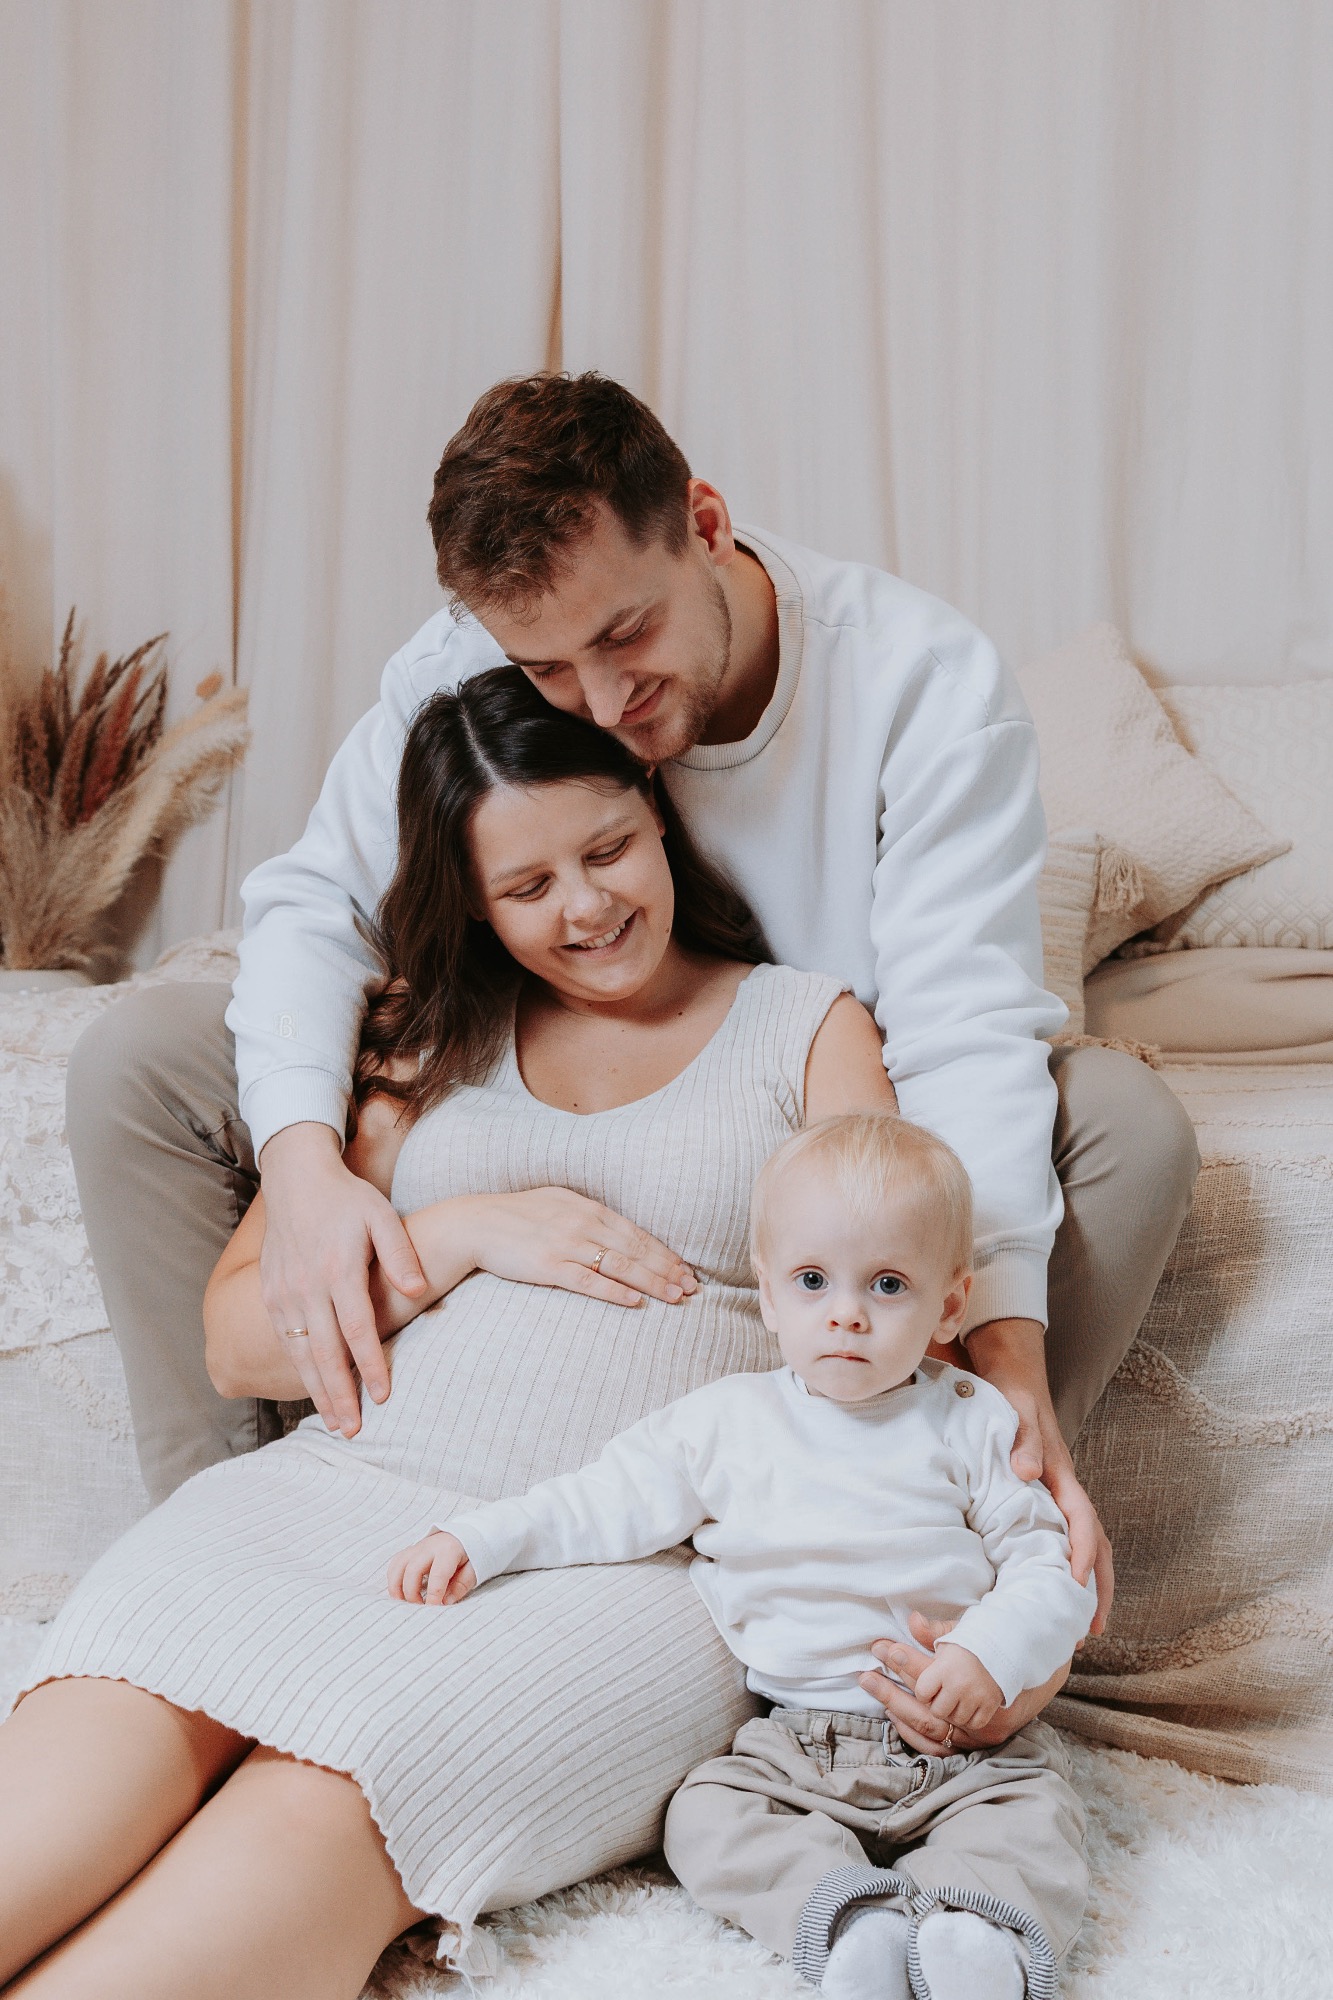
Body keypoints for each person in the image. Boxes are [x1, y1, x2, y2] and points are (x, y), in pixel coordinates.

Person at [63, 370, 1199, 1733]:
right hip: (529, 1037)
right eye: (548, 671)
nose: (598, 700)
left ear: (706, 525)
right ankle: (217, 1535)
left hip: (825, 1100)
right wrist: (306, 1170)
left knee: (1121, 1122)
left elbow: (963, 1031)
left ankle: (945, 1542)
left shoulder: (919, 679)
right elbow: (316, 907)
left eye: (627, 635)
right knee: (145, 1055)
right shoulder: (472, 656)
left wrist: (1003, 1357)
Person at [1, 670, 942, 1994]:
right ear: (474, 903)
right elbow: (236, 1344)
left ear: (657, 811)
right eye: (527, 885)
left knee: (306, 1812)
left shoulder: (805, 1027)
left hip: (619, 1570)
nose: (586, 906)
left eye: (606, 850)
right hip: (321, 1503)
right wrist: (462, 1234)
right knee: (62, 1787)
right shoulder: (429, 1042)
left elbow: (904, 1309)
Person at [389, 1112, 1095, 2000]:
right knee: (704, 1816)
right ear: (767, 1295)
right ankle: (853, 1926)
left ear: (949, 1305)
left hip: (970, 1752)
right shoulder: (725, 1423)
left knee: (1034, 1821)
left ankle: (976, 1943)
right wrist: (479, 1538)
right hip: (794, 1745)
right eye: (812, 1280)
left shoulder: (972, 1418)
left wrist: (985, 1654)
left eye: (886, 1284)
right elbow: (598, 1500)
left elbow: (1050, 1567)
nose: (845, 1312)